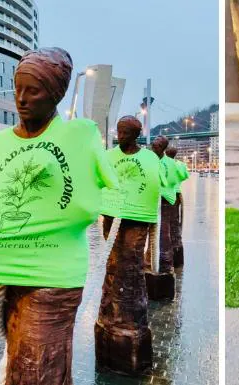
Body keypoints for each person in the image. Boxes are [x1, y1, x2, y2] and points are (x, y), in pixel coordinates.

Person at [0, 47, 118, 385]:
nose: (21, 98)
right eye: (18, 88)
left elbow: (102, 191)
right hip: (9, 271)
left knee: (36, 366)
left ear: (56, 95)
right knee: (21, 362)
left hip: (55, 277)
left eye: (33, 90)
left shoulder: (80, 136)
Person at [96, 116, 163, 374]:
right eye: (119, 131)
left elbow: (158, 182)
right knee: (113, 262)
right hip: (112, 216)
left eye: (125, 132)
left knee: (132, 264)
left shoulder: (148, 159)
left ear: (135, 134)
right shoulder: (109, 156)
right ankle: (109, 314)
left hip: (137, 218)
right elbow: (97, 180)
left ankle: (129, 320)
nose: (119, 135)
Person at [165, 147, 190, 267]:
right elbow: (185, 176)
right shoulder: (180, 164)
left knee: (165, 222)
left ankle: (169, 248)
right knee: (175, 221)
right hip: (177, 194)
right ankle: (176, 245)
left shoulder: (163, 163)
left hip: (166, 195)